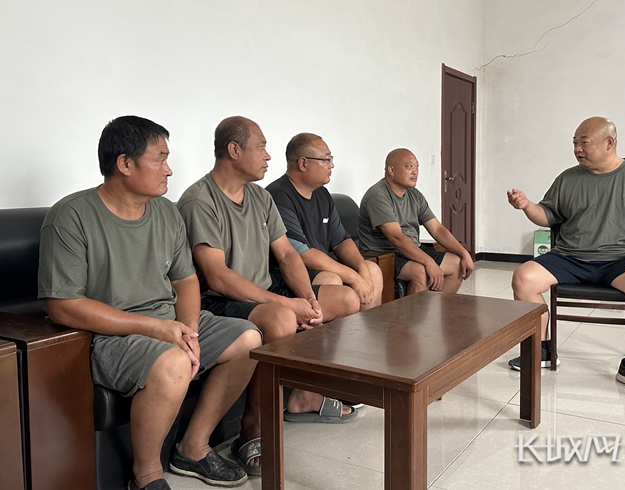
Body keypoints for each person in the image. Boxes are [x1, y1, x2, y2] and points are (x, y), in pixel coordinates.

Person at [38, 116, 261, 490]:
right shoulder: (71, 216)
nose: (169, 169)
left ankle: (192, 448)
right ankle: (146, 475)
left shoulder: (166, 212)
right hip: (109, 336)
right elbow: (63, 304)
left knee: (249, 339)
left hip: (167, 321)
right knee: (173, 361)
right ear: (124, 163)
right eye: (160, 158)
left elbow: (185, 280)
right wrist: (156, 328)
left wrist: (188, 329)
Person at [177, 117, 360, 477]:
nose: (268, 156)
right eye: (261, 147)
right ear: (234, 150)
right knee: (280, 318)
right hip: (217, 299)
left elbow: (288, 254)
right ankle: (254, 427)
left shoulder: (260, 197)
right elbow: (217, 276)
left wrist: (308, 299)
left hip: (262, 291)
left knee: (346, 300)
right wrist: (287, 304)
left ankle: (306, 393)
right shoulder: (200, 200)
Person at [507, 116, 625, 396]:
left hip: (621, 261)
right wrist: (526, 205)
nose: (577, 149)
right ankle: (542, 349)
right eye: (575, 143)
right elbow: (548, 215)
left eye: (584, 143)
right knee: (523, 277)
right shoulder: (567, 178)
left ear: (609, 142)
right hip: (569, 257)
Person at [266, 132, 383, 310]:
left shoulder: (322, 194)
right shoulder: (279, 196)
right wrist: (353, 277)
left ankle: (367, 328)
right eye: (326, 159)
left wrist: (361, 269)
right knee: (330, 280)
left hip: (319, 267)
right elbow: (302, 254)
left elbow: (341, 240)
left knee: (372, 270)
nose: (332, 165)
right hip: (288, 275)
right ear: (303, 163)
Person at [357, 148, 475, 295]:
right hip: (385, 254)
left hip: (412, 248)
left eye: (417, 167)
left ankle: (436, 309)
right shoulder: (378, 196)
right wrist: (428, 261)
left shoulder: (415, 195)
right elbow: (396, 237)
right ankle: (415, 311)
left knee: (457, 265)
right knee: (420, 271)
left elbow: (437, 229)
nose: (415, 172)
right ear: (391, 170)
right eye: (409, 167)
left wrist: (464, 253)